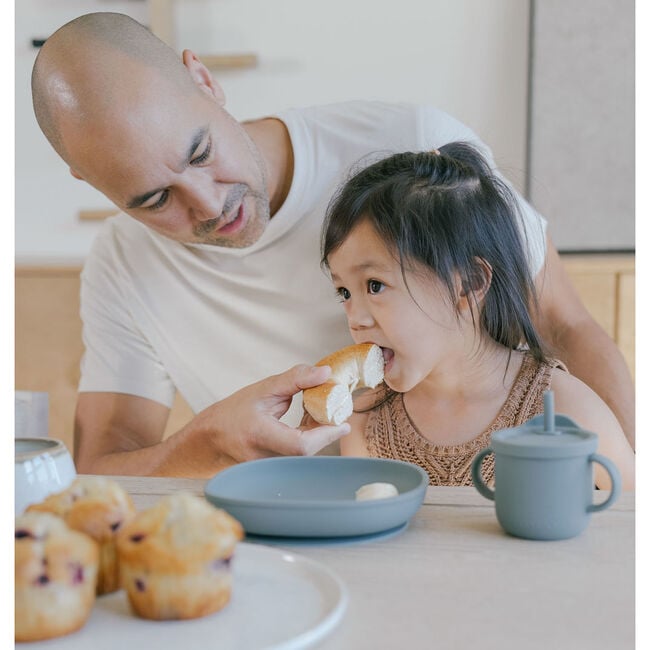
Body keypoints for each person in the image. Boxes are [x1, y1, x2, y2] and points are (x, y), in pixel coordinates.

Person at [29, 12, 634, 478]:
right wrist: (207, 439)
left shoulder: (413, 151)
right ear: (97, 186)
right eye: (154, 200)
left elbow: (566, 325)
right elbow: (99, 473)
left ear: (205, 81)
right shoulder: (121, 266)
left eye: (200, 153)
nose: (209, 205)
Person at [313, 143, 634, 490]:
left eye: (375, 285)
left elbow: (633, 511)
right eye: (344, 292)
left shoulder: (561, 405)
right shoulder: (365, 420)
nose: (356, 318)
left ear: (469, 283)